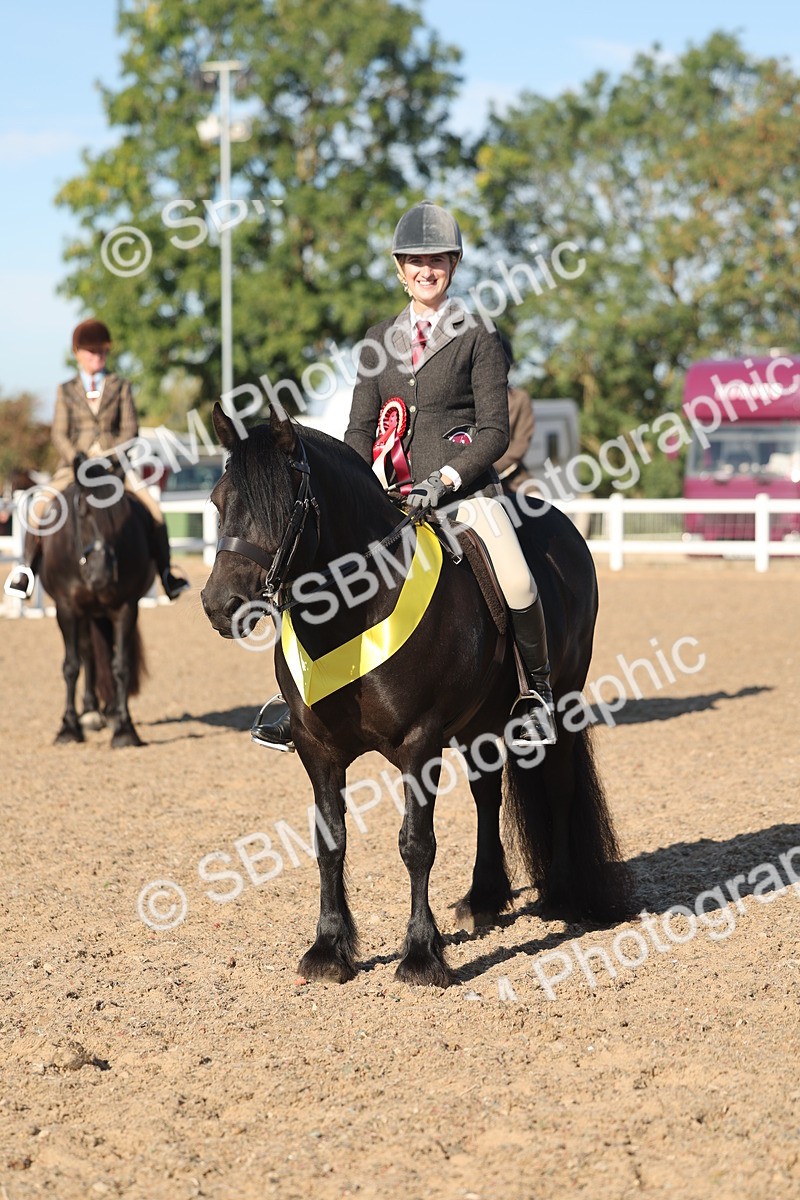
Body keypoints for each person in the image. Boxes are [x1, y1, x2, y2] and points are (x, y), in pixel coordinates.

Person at [252, 201, 557, 752]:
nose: (426, 269)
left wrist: (444, 478)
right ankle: (293, 697)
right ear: (399, 269)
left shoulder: (478, 335)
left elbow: (495, 432)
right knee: (312, 566)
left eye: (437, 259)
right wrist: (346, 487)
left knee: (516, 579)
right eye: (415, 260)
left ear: (454, 265)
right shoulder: (377, 339)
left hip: (460, 493)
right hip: (386, 497)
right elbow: (359, 429)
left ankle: (536, 694)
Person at [4, 319, 189, 602]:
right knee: (39, 507)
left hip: (115, 467)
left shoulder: (121, 386)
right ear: (77, 353)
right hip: (73, 466)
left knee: (154, 509)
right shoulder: (66, 390)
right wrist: (76, 457)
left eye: (102, 352)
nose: (98, 357)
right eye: (91, 352)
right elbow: (59, 434)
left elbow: (130, 430)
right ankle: (26, 570)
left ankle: (166, 574)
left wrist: (111, 456)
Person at [493, 332, 535, 494]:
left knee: (539, 501)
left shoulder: (520, 399)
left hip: (511, 476)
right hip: (469, 476)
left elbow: (521, 444)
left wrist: (490, 469)